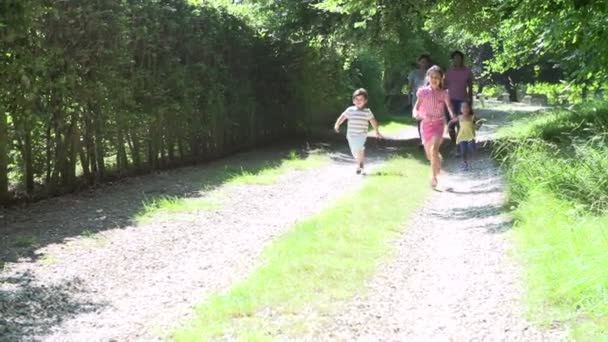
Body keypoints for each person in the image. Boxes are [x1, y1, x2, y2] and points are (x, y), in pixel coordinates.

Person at [414, 66, 457, 188]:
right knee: (430, 155)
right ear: (428, 78)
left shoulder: (444, 93)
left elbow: (449, 106)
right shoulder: (422, 92)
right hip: (426, 126)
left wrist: (453, 116)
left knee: (433, 150)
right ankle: (437, 161)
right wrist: (415, 113)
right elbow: (416, 107)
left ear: (441, 79)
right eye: (432, 77)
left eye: (437, 77)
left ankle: (433, 178)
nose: (434, 79)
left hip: (438, 125)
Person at [334, 88, 383, 174]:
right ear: (353, 100)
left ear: (365, 101)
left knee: (359, 148)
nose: (359, 101)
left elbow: (373, 121)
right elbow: (342, 117)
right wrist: (337, 124)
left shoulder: (367, 112)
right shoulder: (350, 110)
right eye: (357, 99)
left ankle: (360, 166)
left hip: (361, 135)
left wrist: (377, 131)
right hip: (351, 135)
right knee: (354, 151)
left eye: (361, 99)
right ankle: (360, 164)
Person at [444, 50, 474, 152]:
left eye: (459, 58)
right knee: (451, 124)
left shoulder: (467, 72)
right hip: (450, 100)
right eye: (455, 58)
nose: (457, 60)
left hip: (463, 101)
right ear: (452, 60)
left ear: (462, 59)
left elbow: (470, 87)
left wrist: (470, 102)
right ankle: (454, 143)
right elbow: (443, 86)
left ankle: (460, 146)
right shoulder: (448, 72)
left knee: (461, 124)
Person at [408, 54, 432, 145]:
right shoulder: (414, 73)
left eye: (425, 62)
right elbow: (410, 87)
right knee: (419, 119)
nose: (424, 64)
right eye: (422, 62)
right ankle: (422, 139)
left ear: (428, 63)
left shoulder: (431, 73)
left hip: (429, 99)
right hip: (417, 98)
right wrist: (409, 98)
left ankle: (427, 138)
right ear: (419, 63)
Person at [452, 101, 476, 171]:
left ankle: (471, 161)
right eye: (463, 107)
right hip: (462, 136)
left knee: (472, 148)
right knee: (463, 151)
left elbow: (480, 121)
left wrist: (477, 126)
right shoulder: (459, 117)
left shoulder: (472, 117)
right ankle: (465, 163)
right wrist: (449, 129)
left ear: (469, 109)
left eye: (466, 107)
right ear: (460, 109)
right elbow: (451, 122)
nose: (465, 109)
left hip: (471, 136)